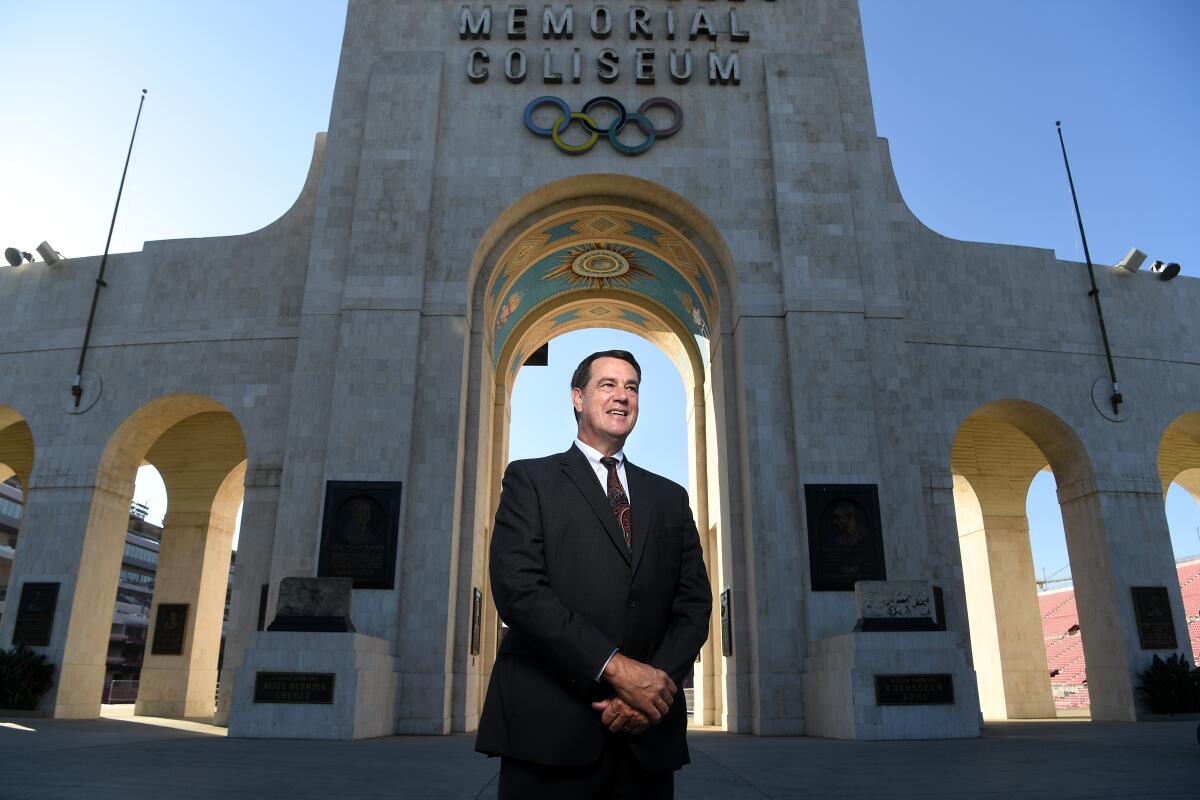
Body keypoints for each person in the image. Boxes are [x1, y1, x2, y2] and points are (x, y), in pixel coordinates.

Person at [476, 349, 712, 799]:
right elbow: (519, 591)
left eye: (632, 387)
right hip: (549, 733)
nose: (622, 396)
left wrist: (653, 687)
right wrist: (618, 670)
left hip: (646, 740)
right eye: (608, 384)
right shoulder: (530, 481)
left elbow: (694, 603)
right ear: (577, 398)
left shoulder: (670, 497)